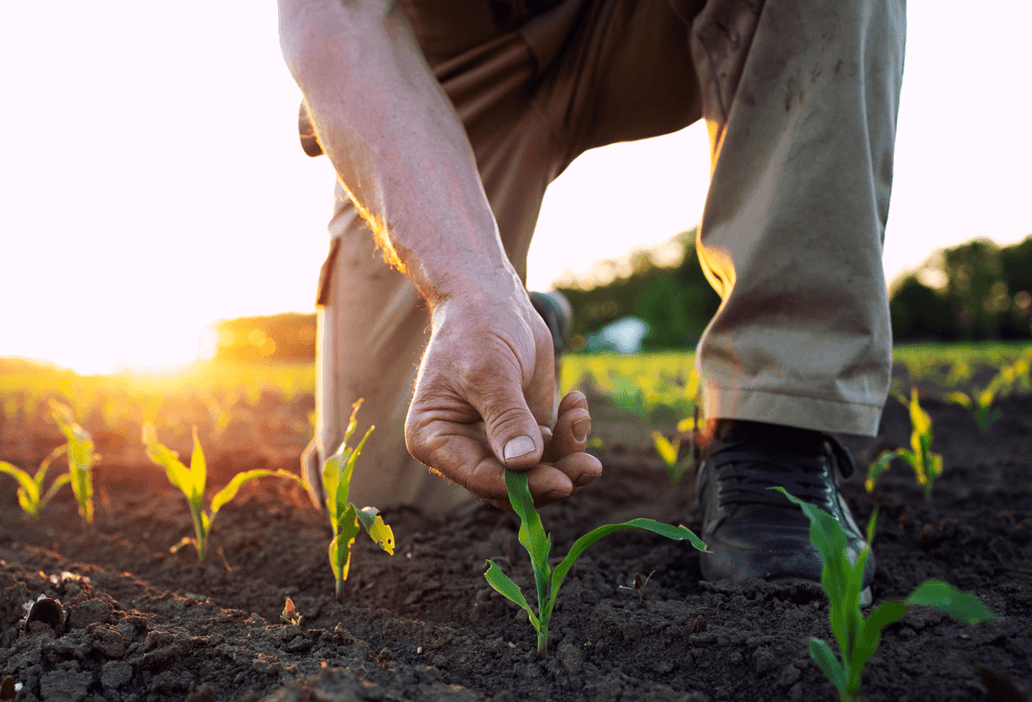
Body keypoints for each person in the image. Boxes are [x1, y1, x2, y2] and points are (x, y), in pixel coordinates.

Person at [278, 0, 905, 595]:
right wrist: (465, 289)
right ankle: (519, 320)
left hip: (642, 21)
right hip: (448, 55)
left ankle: (775, 427)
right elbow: (334, 20)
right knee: (388, 494)